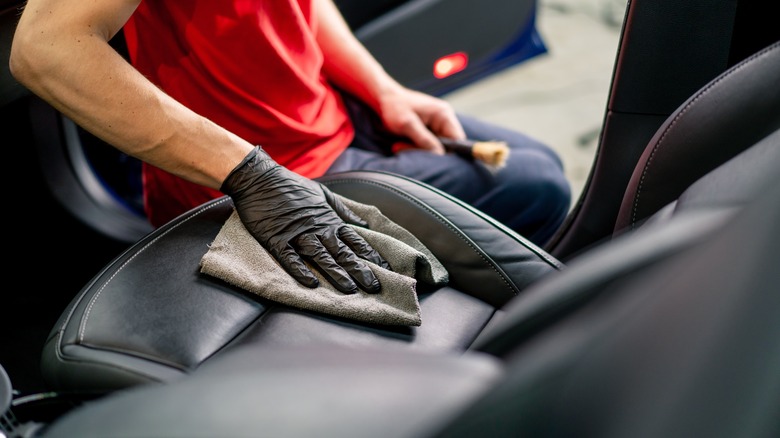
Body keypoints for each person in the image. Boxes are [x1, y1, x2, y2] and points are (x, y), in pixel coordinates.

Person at [10, 0, 570, 293]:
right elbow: (48, 49)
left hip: (331, 117)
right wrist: (252, 176)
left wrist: (383, 91)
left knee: (538, 169)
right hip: (268, 183)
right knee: (538, 189)